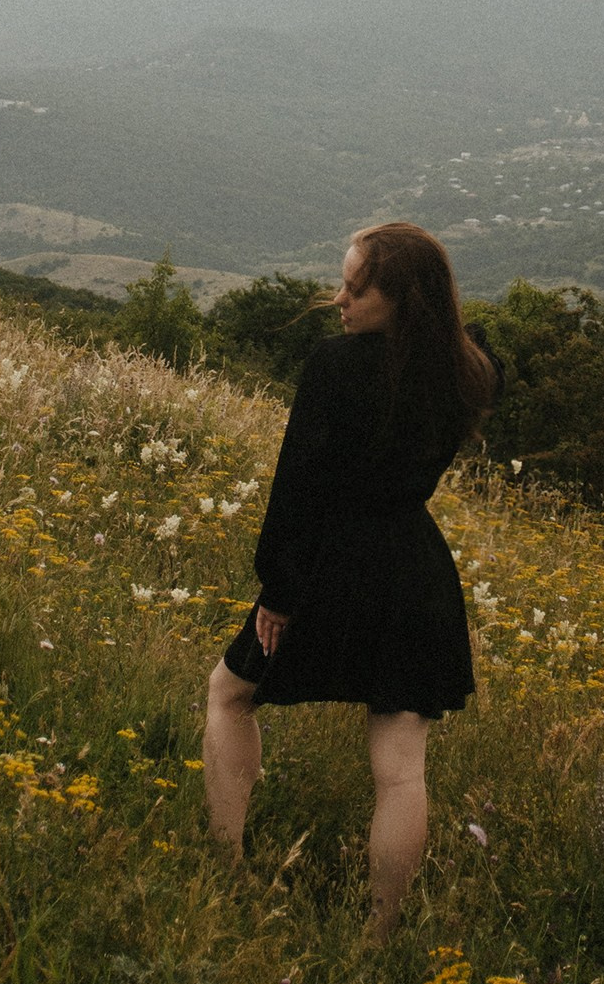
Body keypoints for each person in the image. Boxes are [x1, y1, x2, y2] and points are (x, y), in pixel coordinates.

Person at [202, 221, 502, 940]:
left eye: (353, 287)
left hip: (333, 567)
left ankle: (227, 868)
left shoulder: (337, 366)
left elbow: (298, 486)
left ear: (400, 299)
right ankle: (380, 932)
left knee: (229, 695)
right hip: (416, 572)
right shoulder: (474, 367)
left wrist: (279, 589)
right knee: (401, 768)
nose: (337, 299)